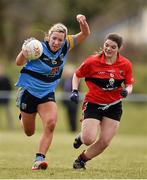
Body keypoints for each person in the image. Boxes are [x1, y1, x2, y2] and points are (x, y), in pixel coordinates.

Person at [15, 14, 90, 170]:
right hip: (29, 92)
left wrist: (83, 23)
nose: (56, 42)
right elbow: (18, 62)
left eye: (60, 40)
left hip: (47, 94)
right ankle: (23, 115)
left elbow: (85, 34)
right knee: (29, 132)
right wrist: (24, 50)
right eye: (54, 38)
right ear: (48, 37)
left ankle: (39, 159)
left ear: (64, 40)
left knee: (50, 124)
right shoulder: (37, 48)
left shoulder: (66, 45)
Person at [70, 33, 134, 169]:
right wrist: (74, 91)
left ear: (118, 49)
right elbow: (77, 75)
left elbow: (129, 85)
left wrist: (126, 91)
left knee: (104, 141)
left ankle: (81, 161)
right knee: (88, 139)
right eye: (106, 45)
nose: (108, 49)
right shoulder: (92, 62)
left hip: (114, 105)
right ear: (103, 45)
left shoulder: (125, 64)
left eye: (113, 47)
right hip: (93, 103)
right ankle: (81, 137)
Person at [60, 64, 80, 132]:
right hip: (66, 101)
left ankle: (74, 129)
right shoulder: (63, 80)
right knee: (68, 115)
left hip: (74, 101)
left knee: (74, 115)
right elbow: (62, 89)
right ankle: (70, 129)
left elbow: (78, 89)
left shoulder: (76, 80)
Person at [0, 65, 14, 129]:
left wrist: (8, 96)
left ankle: (11, 126)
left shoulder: (6, 78)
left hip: (6, 99)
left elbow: (10, 87)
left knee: (8, 113)